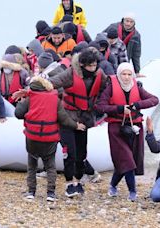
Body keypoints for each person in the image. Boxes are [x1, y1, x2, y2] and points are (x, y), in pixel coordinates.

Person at [48, 49, 109, 197]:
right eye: (90, 66)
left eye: (95, 65)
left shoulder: (99, 75)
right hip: (68, 118)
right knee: (70, 154)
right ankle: (70, 183)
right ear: (82, 65)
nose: (93, 68)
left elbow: (109, 87)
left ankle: (78, 181)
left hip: (85, 118)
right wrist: (33, 87)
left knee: (81, 154)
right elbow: (52, 82)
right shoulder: (70, 74)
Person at [15, 76, 86, 202]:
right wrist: (76, 125)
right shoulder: (55, 99)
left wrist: (22, 101)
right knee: (50, 166)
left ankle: (31, 192)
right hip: (49, 138)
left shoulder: (30, 98)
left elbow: (18, 114)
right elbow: (64, 119)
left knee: (32, 165)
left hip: (32, 136)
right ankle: (50, 193)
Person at [95, 62, 158, 201]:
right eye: (123, 74)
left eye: (129, 74)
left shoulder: (138, 87)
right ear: (118, 75)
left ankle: (112, 185)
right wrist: (119, 109)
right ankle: (132, 191)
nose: (126, 77)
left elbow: (154, 100)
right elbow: (100, 107)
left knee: (127, 160)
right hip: (117, 127)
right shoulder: (110, 87)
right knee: (127, 160)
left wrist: (137, 105)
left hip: (135, 127)